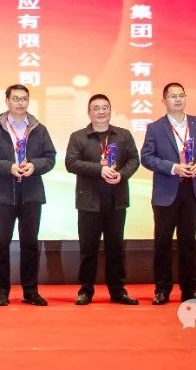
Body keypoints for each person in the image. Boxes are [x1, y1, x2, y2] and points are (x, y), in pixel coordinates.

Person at [0, 84, 56, 306]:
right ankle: (1, 292)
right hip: (3, 195)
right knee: (1, 244)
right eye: (15, 98)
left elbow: (50, 157)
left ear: (28, 101)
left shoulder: (39, 129)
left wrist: (35, 165)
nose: (20, 103)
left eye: (24, 99)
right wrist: (8, 167)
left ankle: (30, 291)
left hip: (31, 194)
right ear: (7, 101)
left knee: (30, 244)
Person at [140, 82, 196, 305]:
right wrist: (173, 167)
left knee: (188, 243)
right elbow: (147, 157)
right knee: (163, 242)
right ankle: (162, 290)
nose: (178, 99)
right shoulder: (155, 127)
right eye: (173, 96)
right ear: (164, 101)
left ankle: (190, 290)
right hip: (166, 192)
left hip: (191, 191)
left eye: (181, 95)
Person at [64, 93, 140, 306]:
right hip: (89, 201)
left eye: (104, 107)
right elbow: (71, 163)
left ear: (110, 110)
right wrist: (100, 169)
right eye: (96, 108)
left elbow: (134, 159)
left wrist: (122, 175)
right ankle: (85, 290)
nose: (101, 111)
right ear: (89, 112)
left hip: (116, 200)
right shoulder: (78, 137)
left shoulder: (123, 135)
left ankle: (118, 291)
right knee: (88, 249)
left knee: (116, 249)